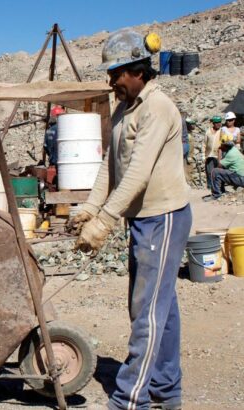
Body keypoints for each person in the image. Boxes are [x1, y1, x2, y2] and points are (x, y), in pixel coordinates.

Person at [70, 28, 190, 410]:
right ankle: (166, 390)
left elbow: (137, 174)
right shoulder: (125, 109)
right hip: (142, 219)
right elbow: (112, 165)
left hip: (163, 216)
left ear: (137, 70)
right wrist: (90, 207)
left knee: (147, 312)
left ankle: (129, 398)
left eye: (116, 74)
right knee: (161, 307)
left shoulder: (158, 107)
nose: (111, 81)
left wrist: (103, 222)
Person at [205, 133, 244, 201]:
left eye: (222, 145)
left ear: (225, 146)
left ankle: (216, 195)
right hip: (241, 176)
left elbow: (219, 166)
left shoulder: (230, 154)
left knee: (215, 171)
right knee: (222, 171)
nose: (220, 146)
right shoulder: (234, 149)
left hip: (241, 179)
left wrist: (219, 153)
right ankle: (222, 191)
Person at [204, 116, 223, 189]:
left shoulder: (222, 131)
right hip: (209, 155)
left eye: (219, 122)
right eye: (216, 123)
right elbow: (204, 144)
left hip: (218, 155)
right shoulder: (208, 132)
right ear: (213, 123)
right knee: (209, 172)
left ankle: (219, 187)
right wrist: (203, 156)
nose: (218, 124)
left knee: (218, 172)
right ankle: (210, 186)